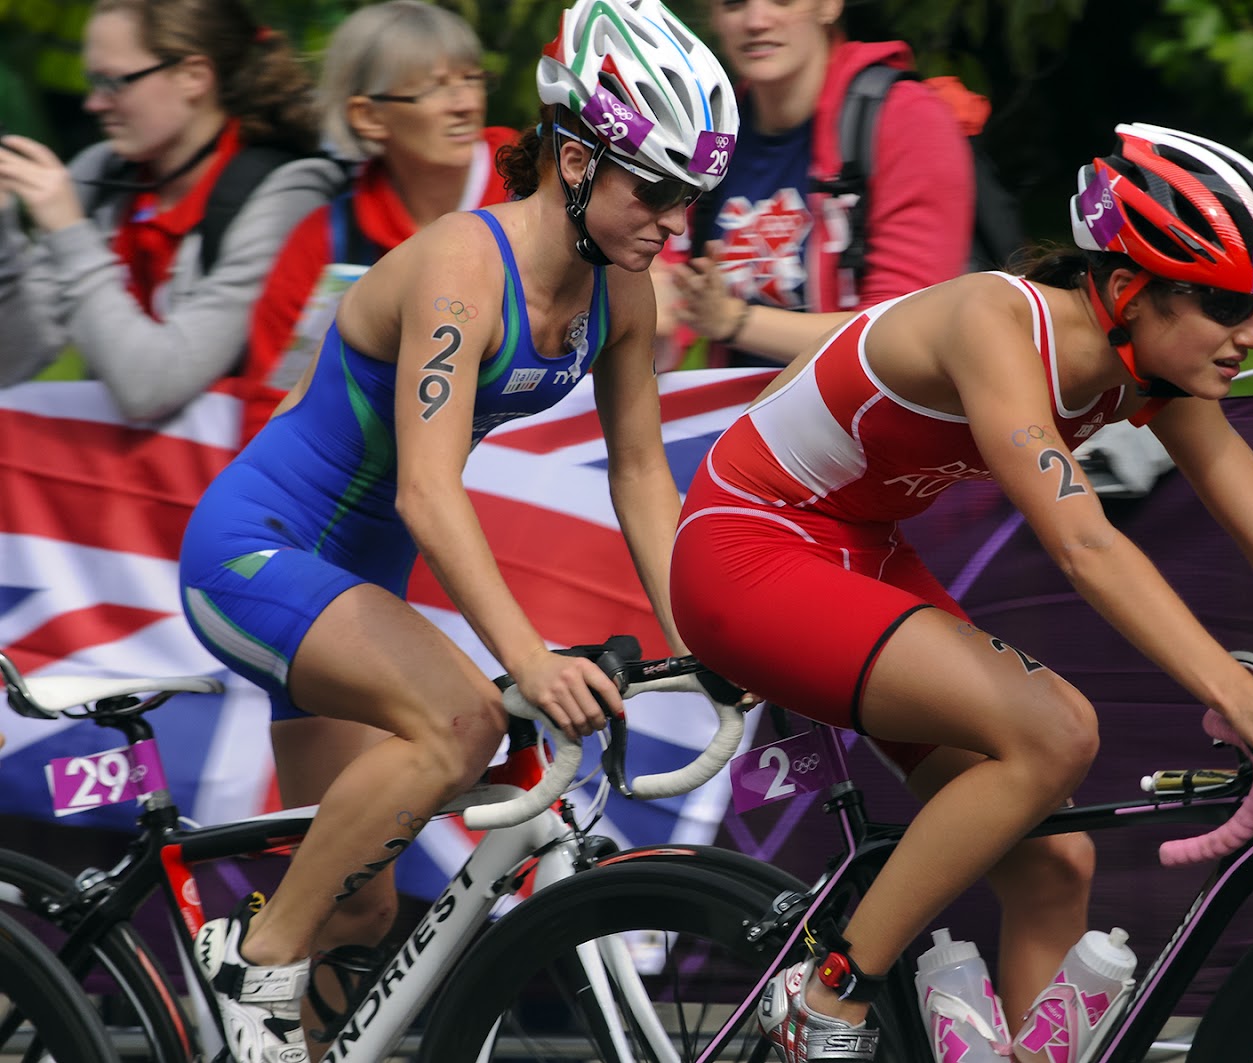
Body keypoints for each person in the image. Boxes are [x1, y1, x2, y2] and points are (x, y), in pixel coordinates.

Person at [669, 123, 1253, 1062]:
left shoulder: (1154, 370)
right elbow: (1086, 543)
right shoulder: (999, 323)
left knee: (1056, 861)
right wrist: (1237, 692)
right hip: (748, 546)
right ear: (1131, 290)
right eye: (1223, 305)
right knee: (1056, 732)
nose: (1249, 335)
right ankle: (826, 999)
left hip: (855, 546)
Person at [176, 1, 737, 1059]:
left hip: (349, 588)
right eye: (653, 190)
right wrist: (528, 658)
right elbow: (427, 494)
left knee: (359, 916)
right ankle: (253, 955)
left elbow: (639, 479)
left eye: (690, 197)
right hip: (256, 552)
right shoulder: (462, 268)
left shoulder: (624, 293)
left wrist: (703, 641)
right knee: (463, 722)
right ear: (574, 159)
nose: (675, 222)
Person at [0, 0, 343, 420]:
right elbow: (9, 362)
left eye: (113, 82)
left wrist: (70, 232)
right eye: (93, 80)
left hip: (223, 476)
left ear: (193, 77)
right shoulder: (103, 171)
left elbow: (151, 389)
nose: (93, 103)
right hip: (114, 475)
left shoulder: (285, 195)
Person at [239, 0, 522, 445]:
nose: (466, 103)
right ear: (368, 117)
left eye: (472, 78)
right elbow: (275, 408)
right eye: (434, 88)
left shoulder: (540, 187)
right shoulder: (329, 243)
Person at [654, 0, 977, 369]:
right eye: (734, 4)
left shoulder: (908, 117)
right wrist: (654, 303)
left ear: (829, 6)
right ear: (714, 18)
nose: (757, 21)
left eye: (783, 1)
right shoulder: (709, 131)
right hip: (742, 414)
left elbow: (907, 333)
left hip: (864, 415)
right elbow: (667, 278)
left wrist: (733, 320)